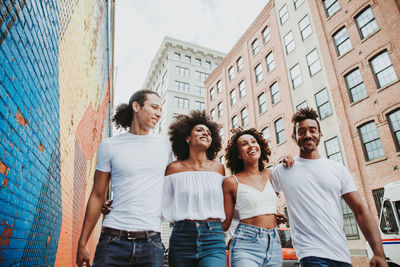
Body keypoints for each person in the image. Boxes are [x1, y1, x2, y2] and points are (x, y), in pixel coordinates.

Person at [271, 107, 387, 267]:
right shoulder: (283, 170)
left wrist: (379, 253)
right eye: (301, 131)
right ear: (294, 136)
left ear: (320, 134)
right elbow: (262, 199)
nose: (307, 135)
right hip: (310, 253)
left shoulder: (337, 169)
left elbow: (360, 210)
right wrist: (273, 214)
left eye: (312, 130)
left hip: (342, 255)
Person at [76, 89, 172, 267]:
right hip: (112, 240)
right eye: (154, 107)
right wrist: (82, 243)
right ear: (136, 106)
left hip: (151, 242)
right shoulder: (110, 145)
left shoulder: (164, 145)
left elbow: (168, 186)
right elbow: (97, 195)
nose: (159, 113)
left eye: (161, 109)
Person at [162, 110, 227, 267]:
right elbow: (160, 200)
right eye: (199, 130)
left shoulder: (218, 169)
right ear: (187, 137)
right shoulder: (173, 168)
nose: (205, 133)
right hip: (181, 237)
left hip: (213, 237)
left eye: (209, 132)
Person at [222, 128, 289, 267]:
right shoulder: (232, 182)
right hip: (246, 244)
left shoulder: (270, 175)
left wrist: (291, 160)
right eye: (244, 144)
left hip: (274, 242)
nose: (251, 145)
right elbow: (225, 223)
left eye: (254, 141)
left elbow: (264, 202)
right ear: (239, 155)